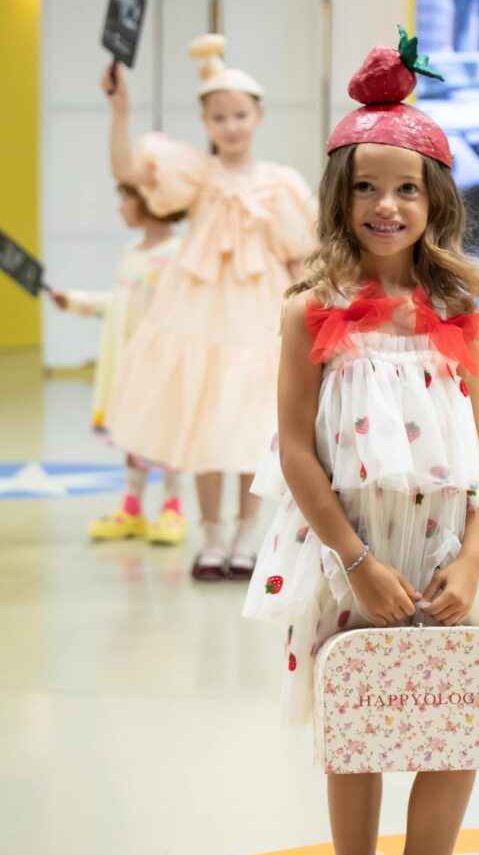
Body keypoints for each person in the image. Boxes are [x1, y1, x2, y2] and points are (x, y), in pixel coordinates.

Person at [243, 29, 479, 855]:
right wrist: (355, 563)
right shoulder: (310, 308)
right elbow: (295, 449)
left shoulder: (456, 305)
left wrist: (470, 557)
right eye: (367, 187)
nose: (387, 206)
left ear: (435, 199)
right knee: (359, 723)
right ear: (341, 195)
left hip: (443, 547)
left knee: (458, 705)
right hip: (353, 549)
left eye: (407, 188)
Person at [103, 34, 315, 580]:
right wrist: (121, 108)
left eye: (240, 114)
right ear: (206, 121)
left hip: (258, 315)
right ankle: (212, 536)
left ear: (259, 117)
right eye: (219, 116)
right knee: (200, 423)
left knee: (250, 427)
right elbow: (128, 170)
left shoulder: (281, 184)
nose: (231, 125)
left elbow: (302, 256)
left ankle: (247, 536)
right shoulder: (195, 175)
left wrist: (313, 322)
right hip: (196, 313)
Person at [47, 185, 185, 543]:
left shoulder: (178, 253)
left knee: (167, 433)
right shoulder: (130, 252)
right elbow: (121, 302)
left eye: (125, 199)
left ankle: (173, 508)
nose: (120, 207)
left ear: (149, 203)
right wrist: (76, 302)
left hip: (161, 361)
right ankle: (132, 509)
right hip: (127, 360)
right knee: (131, 433)